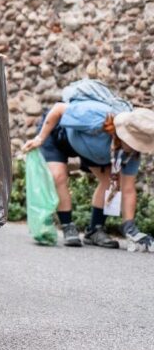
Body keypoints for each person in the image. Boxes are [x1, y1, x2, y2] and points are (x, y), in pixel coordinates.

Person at [22, 104, 154, 251]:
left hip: (88, 148)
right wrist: (40, 138)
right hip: (58, 135)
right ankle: (67, 225)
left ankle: (94, 230)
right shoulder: (95, 118)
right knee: (58, 176)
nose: (136, 147)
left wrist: (129, 226)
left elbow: (128, 189)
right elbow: (58, 109)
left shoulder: (131, 154)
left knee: (110, 183)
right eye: (134, 142)